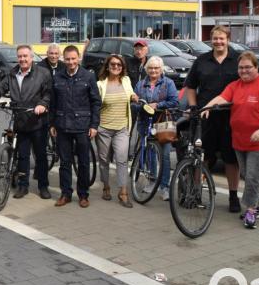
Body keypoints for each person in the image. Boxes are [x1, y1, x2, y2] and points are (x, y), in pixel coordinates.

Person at [203, 51, 259, 229]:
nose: (244, 71)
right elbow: (222, 98)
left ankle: (251, 211)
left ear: (256, 68)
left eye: (248, 67)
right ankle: (258, 205)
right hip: (239, 140)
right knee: (248, 175)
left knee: (253, 176)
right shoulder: (235, 85)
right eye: (241, 68)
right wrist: (207, 107)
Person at [183, 25, 242, 213]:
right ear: (211, 40)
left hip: (230, 117)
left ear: (228, 39)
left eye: (221, 38)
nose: (218, 42)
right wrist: (193, 106)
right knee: (203, 157)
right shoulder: (201, 60)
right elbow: (190, 86)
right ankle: (195, 193)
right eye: (215, 38)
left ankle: (233, 197)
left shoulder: (238, 60)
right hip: (205, 117)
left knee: (231, 159)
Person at [0, 45, 52, 199]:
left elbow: (48, 93)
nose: (22, 59)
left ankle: (43, 186)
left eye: (25, 56)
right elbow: (0, 88)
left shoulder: (43, 73)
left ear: (31, 57)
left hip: (38, 121)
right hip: (20, 120)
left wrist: (42, 105)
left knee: (40, 156)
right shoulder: (12, 73)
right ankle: (23, 186)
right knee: (22, 156)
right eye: (20, 56)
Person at [50, 45, 101, 208]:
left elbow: (96, 102)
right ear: (63, 59)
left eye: (73, 58)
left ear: (78, 58)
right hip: (62, 125)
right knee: (64, 163)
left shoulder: (88, 76)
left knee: (84, 163)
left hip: (82, 126)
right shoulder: (57, 77)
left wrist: (94, 125)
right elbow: (53, 103)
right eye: (67, 59)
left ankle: (83, 194)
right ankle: (66, 194)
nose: (70, 62)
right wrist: (52, 123)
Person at [95, 54, 139, 207]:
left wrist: (133, 96)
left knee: (122, 160)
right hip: (104, 129)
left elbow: (131, 92)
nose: (116, 67)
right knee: (103, 160)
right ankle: (106, 186)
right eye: (113, 64)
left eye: (119, 65)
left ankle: (123, 192)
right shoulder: (100, 84)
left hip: (122, 128)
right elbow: (95, 106)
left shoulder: (126, 81)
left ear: (122, 67)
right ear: (107, 66)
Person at [133, 56, 179, 201]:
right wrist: (139, 104)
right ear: (146, 69)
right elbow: (133, 104)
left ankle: (164, 186)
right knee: (149, 154)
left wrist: (157, 105)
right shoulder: (140, 84)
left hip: (163, 123)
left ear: (161, 69)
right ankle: (152, 181)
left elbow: (174, 101)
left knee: (164, 155)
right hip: (145, 123)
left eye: (156, 68)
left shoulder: (168, 83)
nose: (153, 71)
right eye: (151, 68)